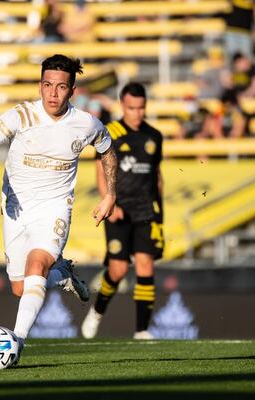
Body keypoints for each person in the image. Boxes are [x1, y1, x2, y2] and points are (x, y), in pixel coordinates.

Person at [0, 54, 117, 363]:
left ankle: (16, 345)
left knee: (36, 265)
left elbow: (107, 150)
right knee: (20, 288)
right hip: (16, 208)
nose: (53, 93)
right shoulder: (21, 115)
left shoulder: (86, 123)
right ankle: (62, 274)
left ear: (72, 91)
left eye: (61, 87)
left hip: (54, 208)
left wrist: (110, 195)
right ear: (40, 86)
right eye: (48, 85)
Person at [81, 83, 164, 340]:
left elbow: (157, 174)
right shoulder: (111, 133)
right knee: (117, 271)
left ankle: (141, 330)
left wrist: (160, 210)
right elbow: (100, 168)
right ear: (122, 105)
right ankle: (97, 311)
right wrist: (109, 201)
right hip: (119, 209)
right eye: (131, 108)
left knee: (145, 265)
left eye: (141, 108)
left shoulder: (154, 136)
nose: (137, 114)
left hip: (146, 211)